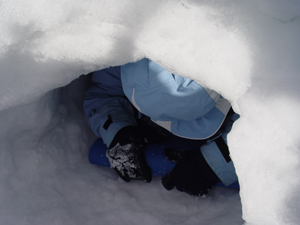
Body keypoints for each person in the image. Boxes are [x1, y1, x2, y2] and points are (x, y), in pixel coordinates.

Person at [83, 58, 239, 196]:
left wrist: (215, 164)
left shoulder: (244, 68)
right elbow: (102, 95)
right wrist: (118, 132)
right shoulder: (122, 55)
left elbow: (260, 127)